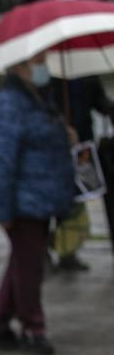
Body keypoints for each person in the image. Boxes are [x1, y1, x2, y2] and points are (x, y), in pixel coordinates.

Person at [0, 54, 75, 355]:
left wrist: (65, 134)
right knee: (30, 267)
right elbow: (0, 160)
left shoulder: (38, 97)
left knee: (22, 263)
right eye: (37, 60)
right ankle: (33, 328)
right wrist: (3, 210)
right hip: (24, 202)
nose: (43, 66)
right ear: (18, 65)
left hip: (41, 197)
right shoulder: (9, 102)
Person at [41, 74, 109, 271]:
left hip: (81, 147)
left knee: (73, 202)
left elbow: (100, 101)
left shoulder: (87, 76)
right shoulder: (47, 77)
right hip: (53, 148)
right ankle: (43, 252)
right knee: (50, 203)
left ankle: (68, 252)